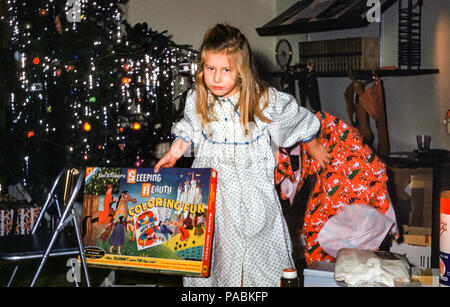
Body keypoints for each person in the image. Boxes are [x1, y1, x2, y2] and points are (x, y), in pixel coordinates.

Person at [154, 24, 331, 287]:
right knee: (214, 256)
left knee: (262, 253)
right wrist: (174, 153)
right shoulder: (198, 99)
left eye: (226, 70)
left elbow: (294, 121)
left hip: (253, 192)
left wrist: (313, 146)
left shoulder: (263, 99)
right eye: (210, 69)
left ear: (241, 71)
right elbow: (189, 129)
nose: (216, 78)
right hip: (213, 193)